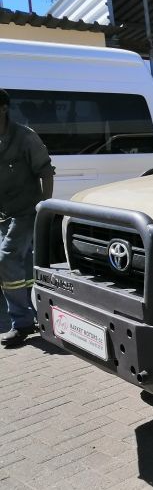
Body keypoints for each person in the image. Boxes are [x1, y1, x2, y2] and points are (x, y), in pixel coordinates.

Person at [0, 89, 55, 348]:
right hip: (3, 213)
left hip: (26, 211)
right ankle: (39, 315)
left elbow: (46, 171)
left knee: (7, 258)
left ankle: (21, 323)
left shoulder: (25, 137)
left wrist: (44, 209)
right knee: (25, 265)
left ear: (3, 108)